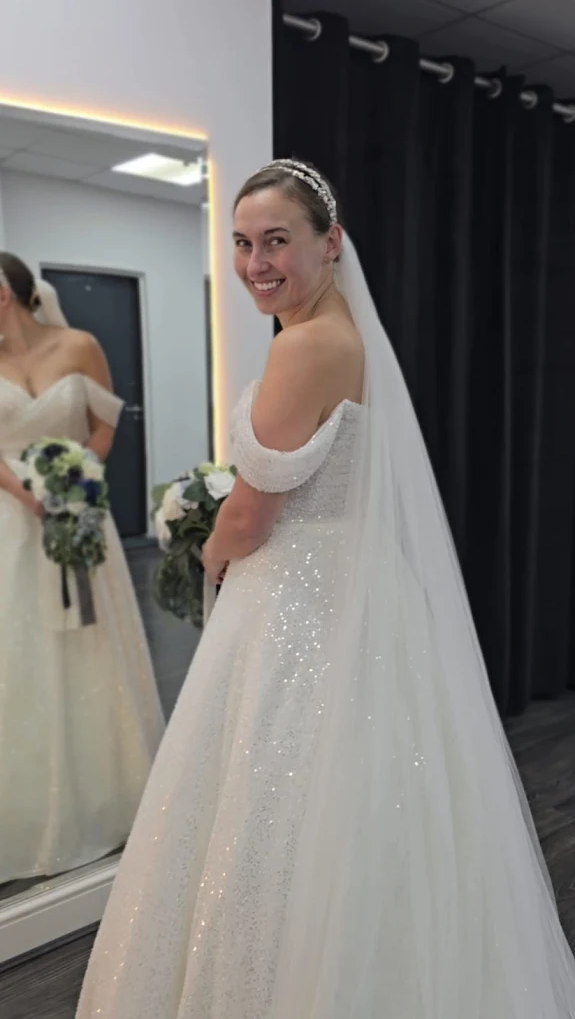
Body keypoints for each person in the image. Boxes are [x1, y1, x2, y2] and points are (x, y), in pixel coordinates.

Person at [76, 161, 575, 1018]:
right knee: (364, 807)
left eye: (277, 241)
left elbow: (251, 516)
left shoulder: (306, 344)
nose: (255, 262)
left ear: (328, 242)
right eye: (241, 243)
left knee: (270, 814)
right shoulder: (342, 332)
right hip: (357, 593)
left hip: (294, 603)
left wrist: (208, 550)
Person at [0, 253, 165, 885]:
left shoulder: (80, 344)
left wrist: (80, 483)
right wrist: (27, 497)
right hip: (15, 524)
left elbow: (103, 425)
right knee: (23, 655)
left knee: (90, 648)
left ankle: (105, 792)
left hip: (78, 516)